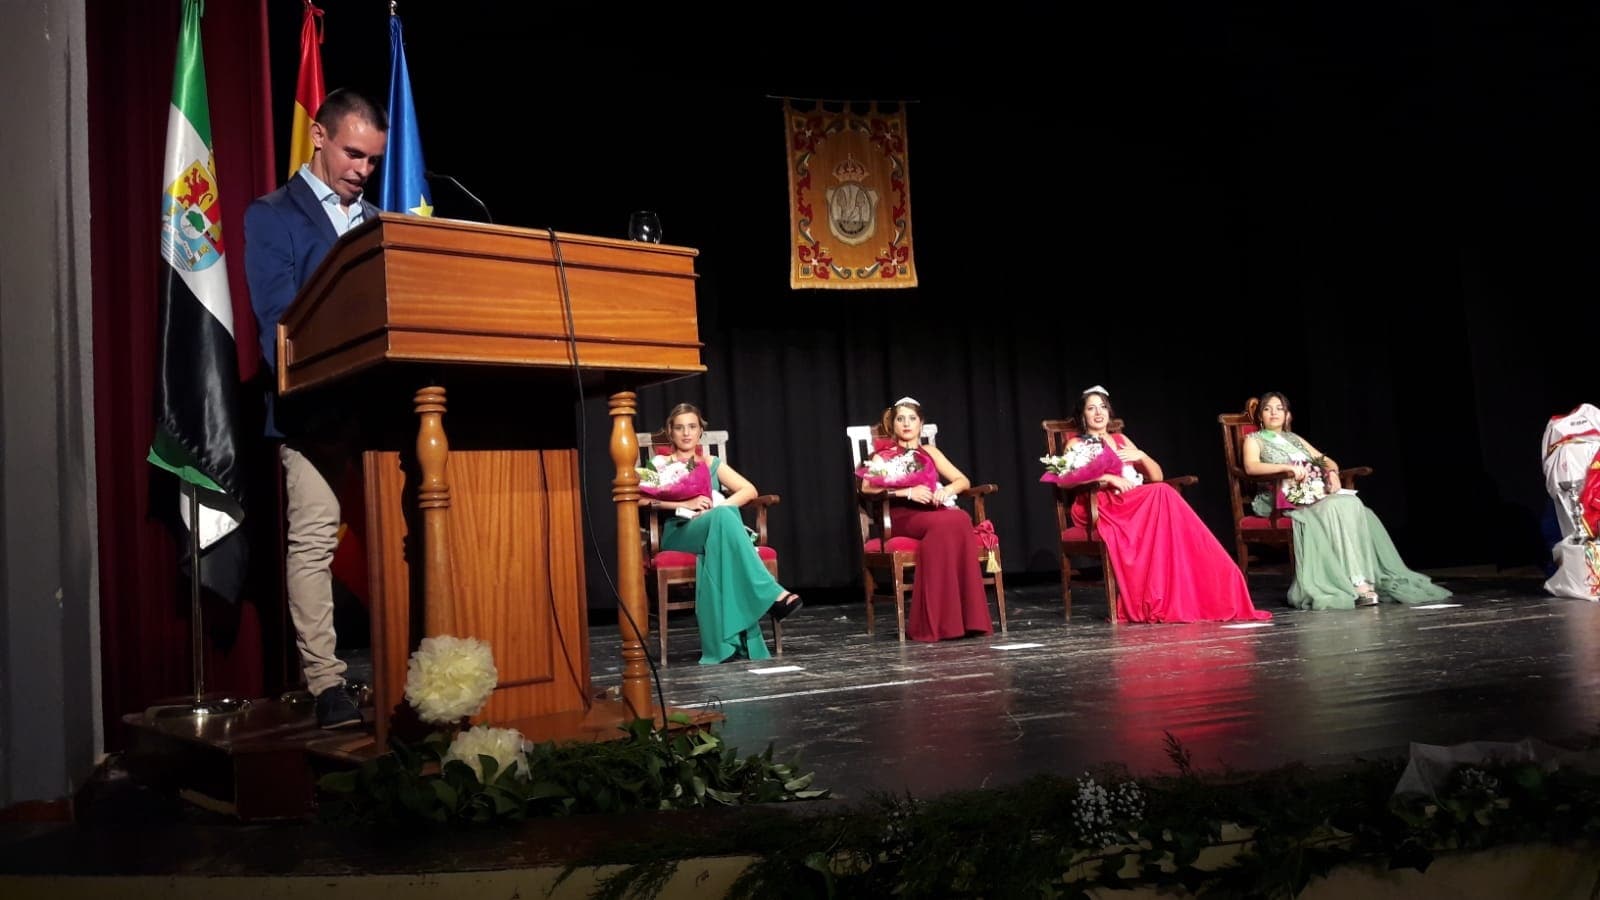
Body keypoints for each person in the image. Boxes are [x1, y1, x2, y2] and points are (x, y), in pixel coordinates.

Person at [244, 89, 388, 728]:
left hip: (381, 415)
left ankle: (411, 667)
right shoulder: (272, 215)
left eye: (373, 160)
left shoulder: (380, 223)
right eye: (353, 154)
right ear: (320, 138)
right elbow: (277, 321)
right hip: (311, 414)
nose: (362, 169)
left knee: (397, 539)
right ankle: (327, 684)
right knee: (312, 544)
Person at [1046, 387, 1270, 623]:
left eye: (1102, 407)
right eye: (1091, 408)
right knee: (1162, 493)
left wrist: (1140, 455)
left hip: (1131, 501)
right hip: (1103, 504)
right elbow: (1067, 481)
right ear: (1083, 415)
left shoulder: (1120, 439)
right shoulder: (1076, 443)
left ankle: (1208, 578)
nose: (1098, 413)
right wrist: (1109, 478)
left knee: (1162, 490)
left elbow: (1157, 476)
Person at [1242, 392, 1450, 609]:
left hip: (1312, 495)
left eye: (1279, 408)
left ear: (1288, 415)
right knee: (1335, 507)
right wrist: (1286, 468)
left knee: (1353, 504)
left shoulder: (1295, 439)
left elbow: (1325, 460)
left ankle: (1363, 580)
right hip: (1282, 499)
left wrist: (1331, 472)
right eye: (1268, 409)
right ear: (1260, 416)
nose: (1274, 412)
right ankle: (1356, 585)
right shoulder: (1254, 440)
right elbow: (1251, 467)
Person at [644, 404, 802, 665]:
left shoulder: (711, 463)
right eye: (680, 427)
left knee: (725, 515)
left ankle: (736, 631)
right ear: (670, 432)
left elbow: (749, 491)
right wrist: (685, 505)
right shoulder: (660, 463)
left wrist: (713, 510)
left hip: (712, 529)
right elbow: (639, 500)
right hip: (679, 533)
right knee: (725, 518)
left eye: (692, 427)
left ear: (700, 431)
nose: (686, 433)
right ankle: (772, 594)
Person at [857, 398, 993, 642]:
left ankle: (963, 620)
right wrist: (906, 492)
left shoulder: (929, 452)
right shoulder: (883, 456)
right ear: (893, 424)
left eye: (912, 419)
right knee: (947, 522)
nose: (906, 424)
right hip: (901, 515)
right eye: (901, 419)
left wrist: (947, 491)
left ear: (921, 424)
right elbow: (867, 488)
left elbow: (963, 481)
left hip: (931, 513)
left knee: (960, 517)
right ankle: (934, 623)